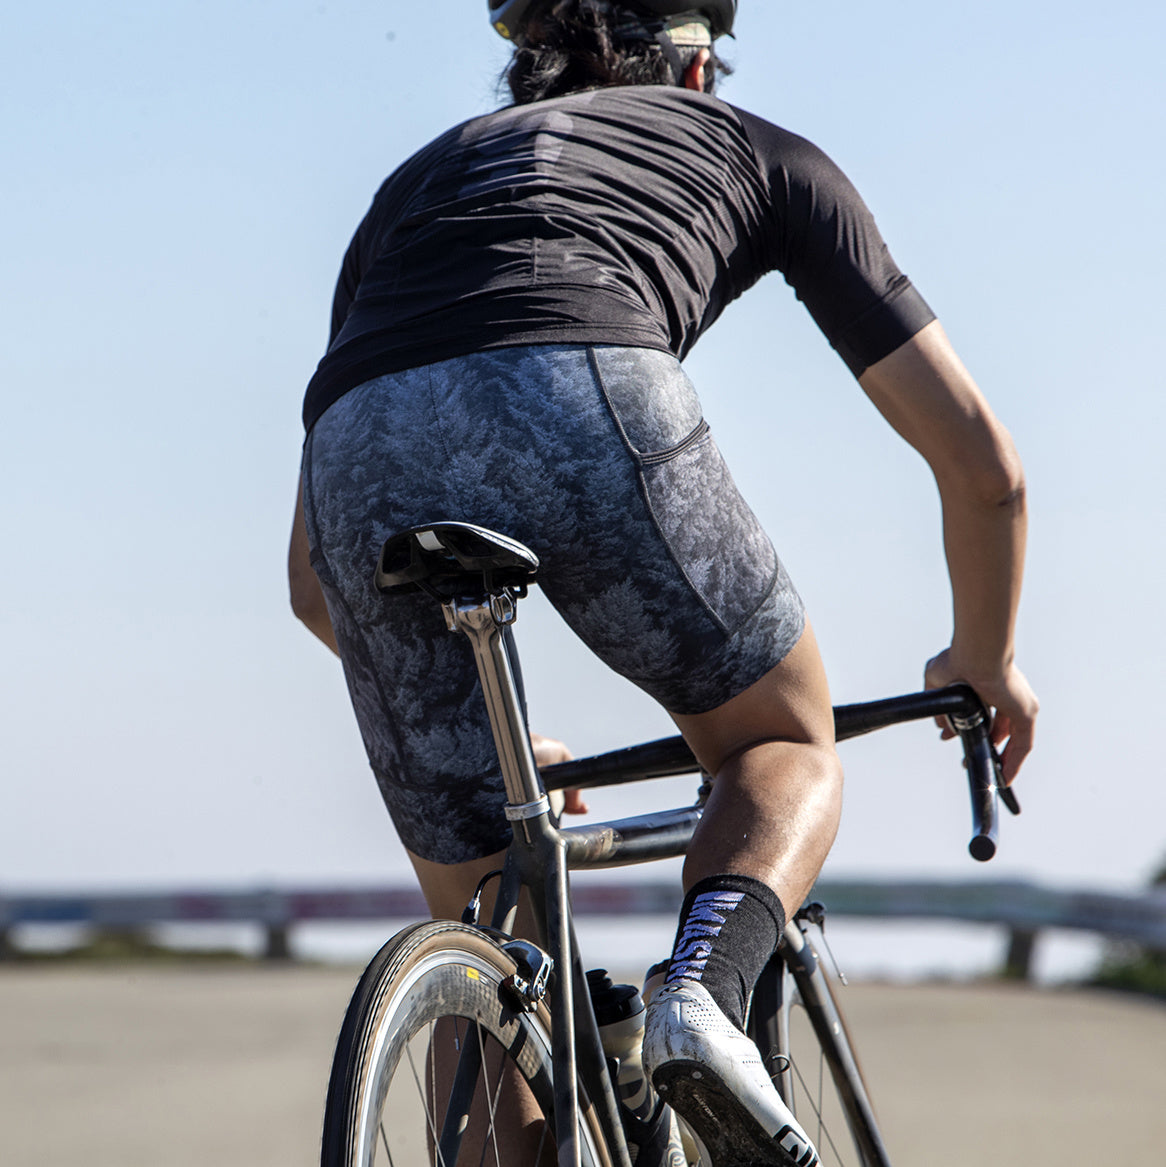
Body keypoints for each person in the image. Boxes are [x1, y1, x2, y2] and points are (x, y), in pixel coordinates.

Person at [288, 1, 1039, 1162]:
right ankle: (703, 996)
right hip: (582, 380)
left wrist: (497, 731)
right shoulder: (757, 150)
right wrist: (983, 654)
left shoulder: (417, 183)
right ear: (694, 69)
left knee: (489, 923)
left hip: (357, 450)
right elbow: (984, 469)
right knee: (778, 744)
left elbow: (310, 587)